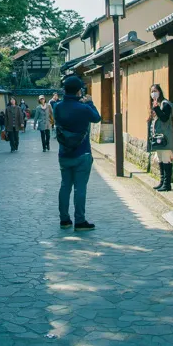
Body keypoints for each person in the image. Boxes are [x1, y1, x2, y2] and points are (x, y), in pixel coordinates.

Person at [52, 75, 101, 231]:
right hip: (82, 152)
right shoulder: (84, 108)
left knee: (65, 186)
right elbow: (96, 118)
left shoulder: (57, 107)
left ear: (64, 89)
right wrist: (90, 102)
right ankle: (80, 221)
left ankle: (64, 220)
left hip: (64, 153)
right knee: (80, 188)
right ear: (79, 91)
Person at [147, 83, 173, 192]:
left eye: (155, 91)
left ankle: (167, 184)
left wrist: (157, 108)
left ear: (159, 92)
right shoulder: (157, 104)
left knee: (166, 159)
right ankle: (162, 182)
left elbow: (164, 118)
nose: (153, 93)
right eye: (151, 91)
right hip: (158, 138)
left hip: (165, 138)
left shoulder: (165, 103)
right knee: (160, 159)